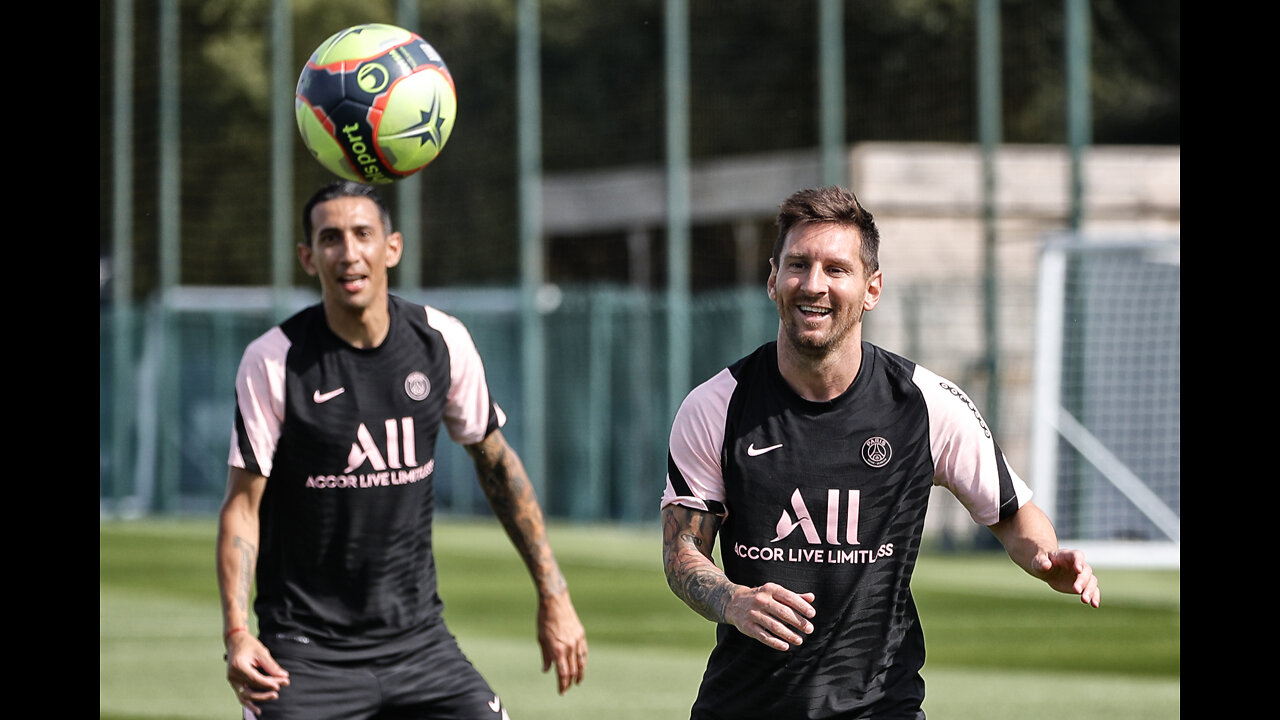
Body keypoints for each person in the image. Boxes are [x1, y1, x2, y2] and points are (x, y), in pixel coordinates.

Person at [660, 185, 1099, 720]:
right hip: (744, 705)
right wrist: (731, 600)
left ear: (872, 288)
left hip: (879, 706)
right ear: (773, 279)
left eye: (836, 269)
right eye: (798, 265)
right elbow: (683, 550)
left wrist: (1045, 558)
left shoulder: (926, 405)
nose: (813, 285)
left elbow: (1013, 515)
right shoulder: (716, 406)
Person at [217, 180, 588, 719]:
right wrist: (236, 632)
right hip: (304, 654)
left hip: (419, 646)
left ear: (392, 246)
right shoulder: (274, 360)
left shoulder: (442, 340)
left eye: (363, 234)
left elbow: (499, 467)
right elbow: (242, 508)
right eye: (331, 239)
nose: (349, 253)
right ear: (307, 256)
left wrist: (554, 594)